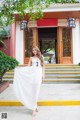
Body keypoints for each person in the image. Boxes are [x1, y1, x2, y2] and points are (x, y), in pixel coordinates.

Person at [13, 46, 45, 116]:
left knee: (36, 91)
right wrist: (19, 70)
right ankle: (35, 106)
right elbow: (28, 67)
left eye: (35, 50)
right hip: (32, 76)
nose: (34, 52)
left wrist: (43, 74)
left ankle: (33, 109)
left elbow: (43, 66)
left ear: (38, 50)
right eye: (33, 50)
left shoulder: (41, 57)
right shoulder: (31, 58)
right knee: (33, 91)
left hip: (38, 76)